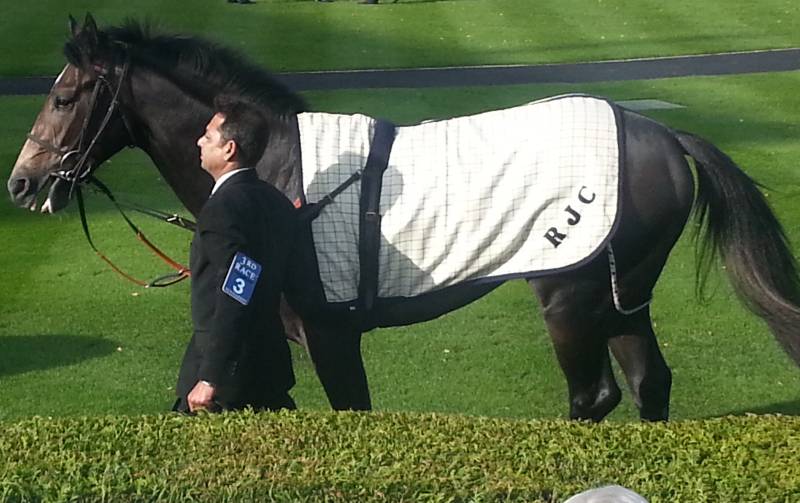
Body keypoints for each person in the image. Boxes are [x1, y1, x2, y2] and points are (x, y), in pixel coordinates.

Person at [173, 95, 297, 414]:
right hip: (269, 366)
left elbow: (237, 293)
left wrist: (210, 378)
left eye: (208, 136)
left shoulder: (221, 208)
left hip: (227, 382)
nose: (200, 142)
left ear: (229, 149)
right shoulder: (276, 200)